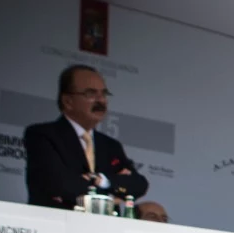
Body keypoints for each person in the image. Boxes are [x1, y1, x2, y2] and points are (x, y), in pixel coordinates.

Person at [25, 65, 148, 209]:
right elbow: (61, 185)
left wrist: (102, 180)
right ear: (68, 101)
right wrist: (112, 193)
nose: (101, 100)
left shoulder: (110, 145)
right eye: (91, 94)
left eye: (104, 94)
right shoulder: (42, 135)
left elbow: (138, 185)